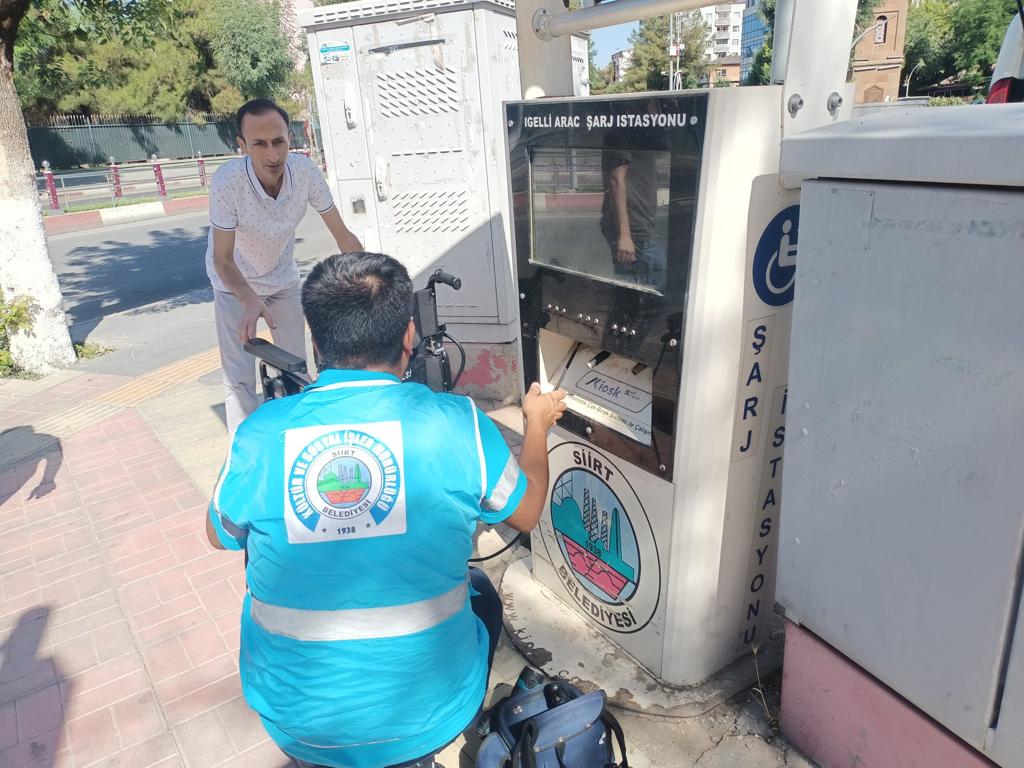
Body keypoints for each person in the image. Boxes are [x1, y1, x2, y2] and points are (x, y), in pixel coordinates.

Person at [205, 252, 567, 768]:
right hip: (427, 716)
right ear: (409, 337)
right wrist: (536, 424)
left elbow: (218, 534)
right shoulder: (454, 421)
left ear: (313, 336)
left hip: (294, 718)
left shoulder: (261, 432)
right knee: (481, 591)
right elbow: (527, 511)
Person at [206, 98, 363, 434]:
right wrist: (248, 297)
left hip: (281, 278)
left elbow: (342, 234)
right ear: (242, 145)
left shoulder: (305, 171)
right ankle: (246, 452)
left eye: (279, 141)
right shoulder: (227, 181)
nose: (272, 155)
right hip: (234, 284)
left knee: (295, 366)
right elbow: (222, 258)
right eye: (259, 144)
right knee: (239, 378)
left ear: (290, 138)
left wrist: (371, 280)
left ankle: (299, 437)